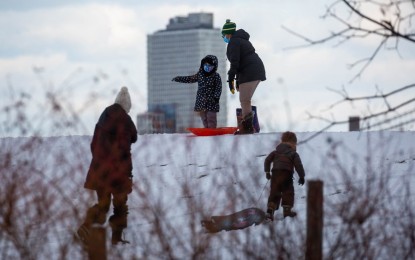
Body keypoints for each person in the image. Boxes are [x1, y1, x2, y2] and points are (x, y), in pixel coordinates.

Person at [77, 86, 138, 245]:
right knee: (120, 206)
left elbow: (93, 144)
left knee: (103, 205)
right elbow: (126, 148)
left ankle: (84, 230)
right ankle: (116, 238)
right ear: (127, 107)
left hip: (100, 171)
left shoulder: (104, 116)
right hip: (117, 174)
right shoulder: (125, 120)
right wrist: (128, 173)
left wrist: (99, 161)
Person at [221, 19, 266, 134]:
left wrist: (231, 79)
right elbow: (240, 63)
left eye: (224, 35)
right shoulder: (240, 40)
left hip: (251, 72)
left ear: (228, 34)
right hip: (254, 70)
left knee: (244, 100)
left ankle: (247, 128)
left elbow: (235, 63)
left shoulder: (234, 42)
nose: (224, 37)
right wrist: (237, 81)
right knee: (246, 100)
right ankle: (250, 126)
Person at [264, 131, 305, 221]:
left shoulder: (275, 152)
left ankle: (270, 211)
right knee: (288, 191)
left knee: (274, 192)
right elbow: (298, 165)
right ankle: (287, 210)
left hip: (275, 174)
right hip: (287, 174)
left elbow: (267, 160)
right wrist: (302, 177)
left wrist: (267, 172)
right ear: (294, 143)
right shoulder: (293, 153)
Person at [172, 55, 222, 128]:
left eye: (210, 66)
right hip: (201, 101)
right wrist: (179, 78)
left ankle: (212, 130)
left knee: (211, 117)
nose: (208, 67)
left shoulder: (216, 76)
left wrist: (216, 97)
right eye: (206, 65)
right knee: (204, 118)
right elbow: (189, 79)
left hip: (212, 101)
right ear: (202, 65)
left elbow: (218, 87)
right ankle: (207, 130)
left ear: (214, 66)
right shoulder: (200, 75)